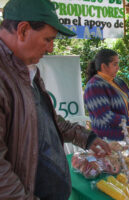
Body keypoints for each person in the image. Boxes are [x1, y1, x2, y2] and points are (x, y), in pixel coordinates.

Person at [0, 0, 111, 199]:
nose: (51, 48)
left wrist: (87, 137)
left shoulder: (26, 69)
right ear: (23, 30)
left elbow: (45, 120)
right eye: (47, 39)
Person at [84, 49, 129, 140]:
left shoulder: (119, 82)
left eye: (117, 64)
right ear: (104, 66)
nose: (118, 67)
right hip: (109, 140)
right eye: (114, 64)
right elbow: (105, 117)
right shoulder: (94, 87)